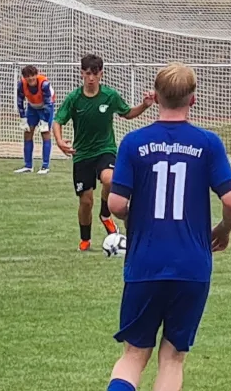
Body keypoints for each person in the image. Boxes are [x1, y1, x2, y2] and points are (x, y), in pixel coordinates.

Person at [86, 63, 231, 391]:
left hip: (145, 262)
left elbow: (116, 203)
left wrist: (134, 217)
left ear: (154, 97)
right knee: (172, 356)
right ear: (193, 99)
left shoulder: (135, 142)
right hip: (192, 265)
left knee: (134, 351)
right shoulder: (207, 143)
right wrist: (223, 230)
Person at [52, 53, 154, 251]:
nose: (91, 78)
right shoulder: (74, 98)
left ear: (101, 74)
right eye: (87, 73)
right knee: (86, 201)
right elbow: (58, 121)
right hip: (82, 154)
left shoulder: (110, 96)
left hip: (105, 149)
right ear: (81, 73)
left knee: (110, 179)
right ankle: (85, 240)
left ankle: (105, 214)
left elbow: (127, 113)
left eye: (95, 73)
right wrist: (59, 141)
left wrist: (144, 105)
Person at [14, 65, 55, 174]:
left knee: (45, 133)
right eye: (27, 76)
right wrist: (23, 118)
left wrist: (45, 120)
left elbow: (48, 103)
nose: (30, 78)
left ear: (36, 75)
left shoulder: (44, 84)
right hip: (32, 108)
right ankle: (28, 165)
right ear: (24, 77)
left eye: (32, 75)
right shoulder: (21, 85)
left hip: (45, 108)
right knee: (28, 132)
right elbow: (20, 101)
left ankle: (45, 166)